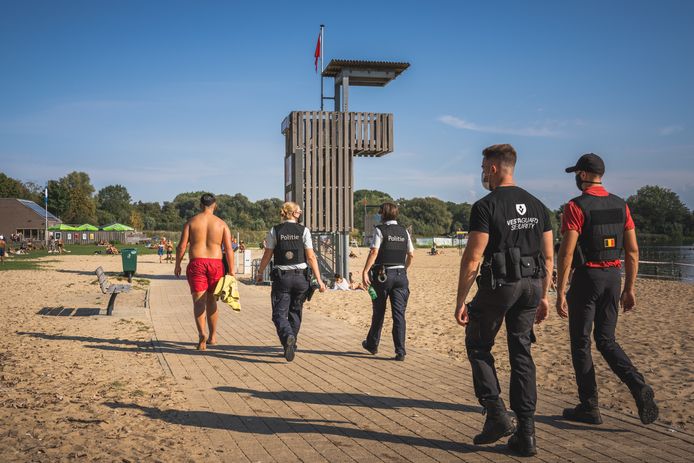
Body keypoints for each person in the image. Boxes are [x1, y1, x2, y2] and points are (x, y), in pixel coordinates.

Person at [454, 144, 553, 457]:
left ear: (495, 167)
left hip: (502, 285)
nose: (483, 172)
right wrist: (545, 294)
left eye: (484, 167)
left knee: (478, 345)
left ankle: (496, 414)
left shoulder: (486, 206)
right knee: (521, 353)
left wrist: (461, 299)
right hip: (532, 285)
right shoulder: (538, 205)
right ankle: (527, 435)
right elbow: (549, 255)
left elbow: (473, 258)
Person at [556, 153, 658, 426]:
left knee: (581, 342)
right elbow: (633, 251)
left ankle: (589, 406)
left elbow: (566, 253)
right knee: (606, 340)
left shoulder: (575, 206)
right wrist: (630, 288)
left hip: (587, 277)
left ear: (585, 175)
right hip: (613, 277)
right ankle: (638, 386)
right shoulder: (621, 206)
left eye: (577, 173)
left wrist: (560, 291)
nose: (576, 178)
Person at [256, 202, 326, 361]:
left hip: (282, 278)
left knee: (279, 314)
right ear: (293, 213)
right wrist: (319, 280)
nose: (301, 213)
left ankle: (288, 337)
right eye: (299, 211)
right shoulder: (304, 230)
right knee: (295, 312)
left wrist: (260, 272)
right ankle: (291, 342)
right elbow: (311, 257)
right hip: (301, 278)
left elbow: (267, 255)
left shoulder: (275, 230)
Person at [175, 193, 235, 351]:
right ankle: (213, 336)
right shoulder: (222, 224)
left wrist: (177, 264)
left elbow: (181, 246)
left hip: (197, 263)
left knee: (199, 302)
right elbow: (229, 250)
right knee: (212, 301)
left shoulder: (191, 222)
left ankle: (202, 335)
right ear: (214, 205)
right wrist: (232, 271)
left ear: (200, 205)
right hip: (216, 264)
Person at [361, 202, 415, 362]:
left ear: (383, 214)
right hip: (400, 275)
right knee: (399, 314)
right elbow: (411, 254)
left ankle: (372, 344)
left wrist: (365, 270)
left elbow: (374, 251)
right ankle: (400, 351)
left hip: (382, 275)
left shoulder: (380, 230)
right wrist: (404, 268)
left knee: (379, 312)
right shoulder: (404, 231)